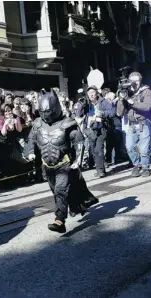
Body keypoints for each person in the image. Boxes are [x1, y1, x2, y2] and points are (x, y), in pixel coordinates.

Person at [26, 89, 98, 233]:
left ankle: (59, 221)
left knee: (60, 190)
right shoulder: (37, 124)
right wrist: (29, 152)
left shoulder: (67, 123)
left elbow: (79, 142)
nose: (46, 115)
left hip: (64, 164)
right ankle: (75, 205)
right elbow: (31, 140)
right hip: (47, 167)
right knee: (58, 192)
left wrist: (78, 159)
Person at [117, 71, 151, 177]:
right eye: (132, 80)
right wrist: (121, 99)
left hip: (144, 123)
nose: (134, 82)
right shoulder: (127, 92)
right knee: (129, 147)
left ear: (140, 80)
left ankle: (146, 167)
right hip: (131, 124)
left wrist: (132, 102)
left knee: (144, 148)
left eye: (136, 80)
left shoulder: (146, 91)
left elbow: (147, 107)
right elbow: (120, 112)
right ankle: (137, 164)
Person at [76, 86, 115, 178]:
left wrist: (102, 114)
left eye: (93, 92)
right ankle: (99, 169)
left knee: (99, 150)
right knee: (93, 151)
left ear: (97, 93)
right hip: (90, 130)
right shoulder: (86, 103)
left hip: (101, 129)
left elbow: (112, 112)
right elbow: (78, 114)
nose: (91, 95)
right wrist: (81, 105)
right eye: (89, 93)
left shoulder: (103, 101)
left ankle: (101, 170)